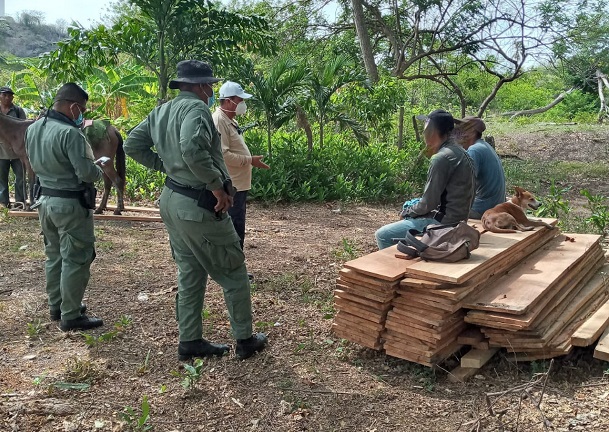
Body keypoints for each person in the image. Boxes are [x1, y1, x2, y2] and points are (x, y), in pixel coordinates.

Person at [124, 60, 267, 361]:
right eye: (210, 86)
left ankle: (190, 340)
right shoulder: (196, 109)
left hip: (173, 198)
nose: (211, 91)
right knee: (233, 271)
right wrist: (216, 185)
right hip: (199, 203)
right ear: (202, 86)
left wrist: (164, 166)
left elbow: (132, 145)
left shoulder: (161, 111)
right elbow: (191, 149)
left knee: (190, 271)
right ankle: (245, 339)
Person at [25, 83, 105, 330]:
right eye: (81, 110)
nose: (81, 115)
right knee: (77, 257)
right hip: (70, 204)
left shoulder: (34, 128)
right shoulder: (71, 134)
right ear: (73, 107)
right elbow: (86, 173)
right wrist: (98, 169)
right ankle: (71, 314)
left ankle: (57, 305)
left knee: (54, 255)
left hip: (44, 201)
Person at [375, 109, 475, 249]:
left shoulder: (441, 158)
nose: (423, 133)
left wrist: (407, 212)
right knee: (411, 208)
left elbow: (428, 204)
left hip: (444, 224)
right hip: (459, 220)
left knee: (382, 234)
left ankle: (392, 268)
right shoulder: (461, 153)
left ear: (432, 131)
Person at [212, 81, 269, 252]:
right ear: (229, 101)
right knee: (233, 227)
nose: (243, 104)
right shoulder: (219, 121)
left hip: (238, 184)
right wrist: (249, 160)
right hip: (231, 186)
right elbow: (224, 155)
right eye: (240, 100)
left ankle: (235, 266)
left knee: (237, 225)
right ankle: (233, 268)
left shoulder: (229, 120)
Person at [454, 116, 506, 219]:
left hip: (482, 210)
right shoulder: (484, 145)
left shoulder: (474, 150)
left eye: (462, 129)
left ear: (472, 132)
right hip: (495, 206)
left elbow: (464, 184)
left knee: (438, 212)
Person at [0, 86, 27, 208]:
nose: (7, 97)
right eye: (4, 95)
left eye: (10, 95)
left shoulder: (18, 111)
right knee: (1, 179)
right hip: (1, 151)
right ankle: (3, 202)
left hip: (18, 151)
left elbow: (25, 129)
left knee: (20, 177)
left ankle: (19, 202)